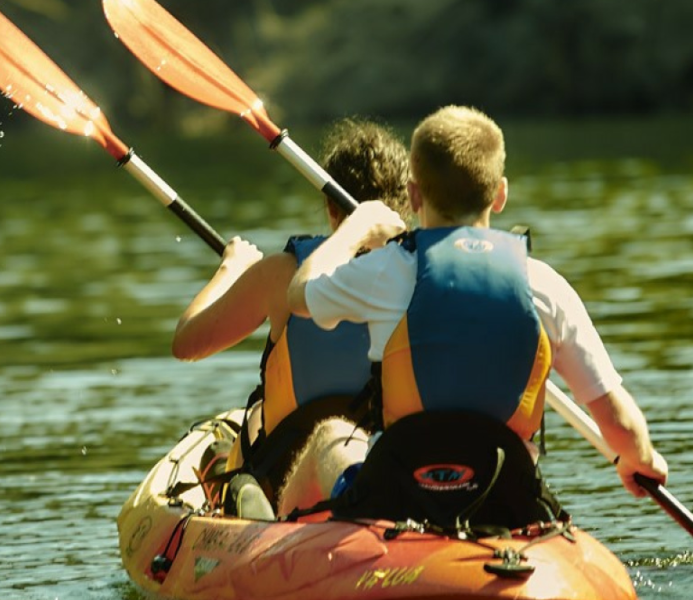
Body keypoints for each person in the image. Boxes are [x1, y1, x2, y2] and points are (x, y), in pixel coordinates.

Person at [285, 105, 668, 526]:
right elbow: (620, 426)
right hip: (505, 498)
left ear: (414, 195)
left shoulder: (385, 271)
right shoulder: (543, 284)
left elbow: (300, 294)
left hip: (394, 498)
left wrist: (356, 227)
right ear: (500, 194)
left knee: (330, 436)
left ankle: (278, 552)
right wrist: (641, 459)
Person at [172, 118, 412, 513]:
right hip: (391, 463)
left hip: (287, 476)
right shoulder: (423, 271)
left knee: (242, 434)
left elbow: (187, 343)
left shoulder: (282, 274)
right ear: (405, 201)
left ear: (331, 207)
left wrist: (230, 270)